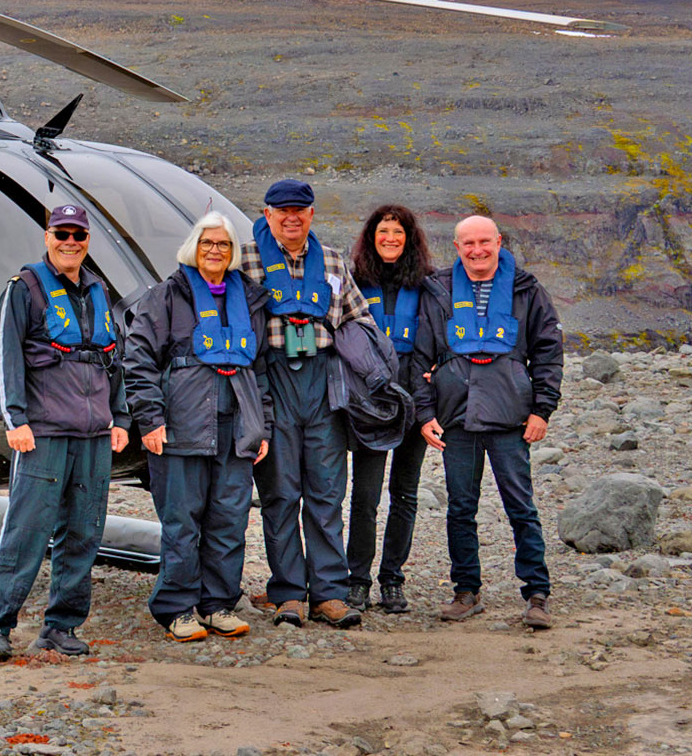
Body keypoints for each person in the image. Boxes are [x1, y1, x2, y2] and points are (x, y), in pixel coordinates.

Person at [0, 205, 131, 661]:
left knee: (84, 532)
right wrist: (15, 421)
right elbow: (6, 359)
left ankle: (61, 625)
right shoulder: (22, 290)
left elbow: (115, 362)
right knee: (26, 530)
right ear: (47, 236)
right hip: (42, 434)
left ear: (87, 240)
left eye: (79, 234)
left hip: (93, 436)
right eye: (62, 233)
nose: (71, 241)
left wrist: (121, 418)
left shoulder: (98, 291)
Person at [241, 179, 389, 629]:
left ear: (311, 215)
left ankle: (329, 593)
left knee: (326, 491)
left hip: (323, 383)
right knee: (280, 493)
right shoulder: (245, 260)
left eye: (300, 211)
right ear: (267, 214)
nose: (291, 218)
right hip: (274, 379)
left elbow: (360, 319)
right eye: (282, 211)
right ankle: (288, 592)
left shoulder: (331, 260)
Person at [120, 210, 270, 642]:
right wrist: (149, 419)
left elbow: (260, 370)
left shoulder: (252, 301)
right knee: (182, 521)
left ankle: (217, 604)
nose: (215, 251)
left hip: (236, 427)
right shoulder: (167, 296)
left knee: (229, 519)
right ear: (193, 248)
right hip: (181, 427)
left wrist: (263, 426)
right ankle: (177, 606)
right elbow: (139, 359)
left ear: (233, 252)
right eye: (208, 243)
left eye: (223, 244)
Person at [420, 214, 565, 629]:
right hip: (457, 415)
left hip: (511, 417)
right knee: (460, 507)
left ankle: (537, 593)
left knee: (520, 506)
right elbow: (419, 354)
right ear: (457, 246)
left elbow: (549, 351)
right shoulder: (441, 290)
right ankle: (466, 591)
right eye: (469, 243)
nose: (478, 250)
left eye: (485, 241)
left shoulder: (527, 289)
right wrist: (424, 412)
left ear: (499, 241)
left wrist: (542, 410)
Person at [343, 204, 435, 614]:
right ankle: (357, 579)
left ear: (409, 238)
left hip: (414, 400)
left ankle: (392, 579)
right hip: (372, 403)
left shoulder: (428, 284)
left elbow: (437, 341)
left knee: (405, 494)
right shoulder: (355, 281)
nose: (391, 239)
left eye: (398, 233)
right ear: (372, 237)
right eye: (384, 232)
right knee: (364, 496)